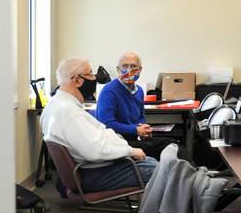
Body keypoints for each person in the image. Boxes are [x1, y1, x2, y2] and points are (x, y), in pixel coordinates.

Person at [41, 57, 157, 193]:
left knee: (157, 164)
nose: (94, 78)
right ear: (77, 80)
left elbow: (97, 136)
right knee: (158, 170)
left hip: (86, 169)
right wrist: (129, 151)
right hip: (92, 174)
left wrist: (121, 144)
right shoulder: (70, 113)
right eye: (90, 74)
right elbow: (95, 152)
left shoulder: (55, 105)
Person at [96, 52, 175, 161]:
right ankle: (161, 176)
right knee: (149, 149)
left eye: (133, 66)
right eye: (125, 66)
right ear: (118, 69)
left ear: (140, 70)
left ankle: (192, 174)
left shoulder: (139, 91)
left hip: (134, 138)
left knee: (171, 145)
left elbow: (140, 117)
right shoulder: (109, 91)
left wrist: (144, 128)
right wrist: (135, 130)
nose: (129, 70)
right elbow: (107, 123)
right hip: (116, 142)